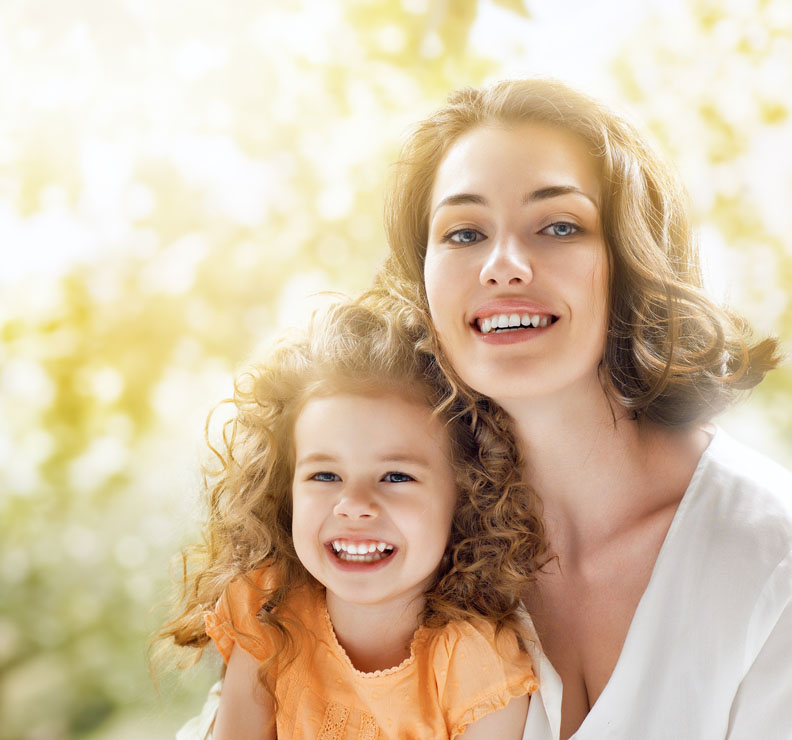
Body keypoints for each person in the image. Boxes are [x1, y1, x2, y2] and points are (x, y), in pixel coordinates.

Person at [376, 78, 792, 739]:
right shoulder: (388, 533)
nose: (503, 265)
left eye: (559, 226)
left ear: (629, 260)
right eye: (463, 233)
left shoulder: (772, 556)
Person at [161, 299, 539, 739]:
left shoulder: (476, 667)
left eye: (396, 476)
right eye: (325, 475)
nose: (354, 504)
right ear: (286, 491)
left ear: (466, 496)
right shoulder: (269, 613)